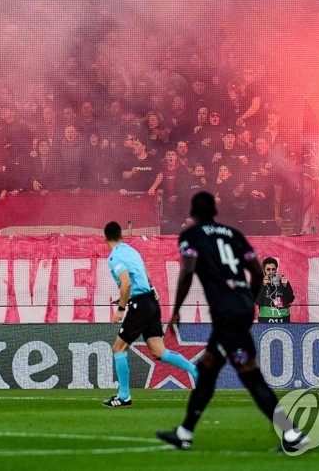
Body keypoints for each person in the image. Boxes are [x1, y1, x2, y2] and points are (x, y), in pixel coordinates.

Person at [156, 192, 308, 453]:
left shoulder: (191, 236)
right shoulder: (232, 234)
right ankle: (185, 432)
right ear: (215, 211)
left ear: (191, 213)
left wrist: (176, 310)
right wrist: (248, 298)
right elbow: (258, 272)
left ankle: (291, 434)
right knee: (207, 369)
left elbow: (188, 271)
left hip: (226, 314)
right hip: (241, 309)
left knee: (250, 376)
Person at [103, 221, 198, 408]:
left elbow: (127, 283)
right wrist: (125, 297)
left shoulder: (114, 257)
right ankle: (196, 372)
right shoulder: (132, 251)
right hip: (151, 302)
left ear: (105, 238)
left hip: (140, 305)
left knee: (118, 348)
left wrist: (121, 310)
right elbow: (146, 277)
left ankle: (124, 396)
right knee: (158, 351)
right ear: (121, 235)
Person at [255, 257, 295, 323]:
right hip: (265, 323)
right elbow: (258, 302)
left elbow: (290, 299)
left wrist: (285, 286)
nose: (271, 272)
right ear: (264, 270)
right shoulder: (260, 283)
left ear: (276, 269)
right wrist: (264, 286)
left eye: (273, 269)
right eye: (268, 269)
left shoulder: (283, 282)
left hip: (283, 322)